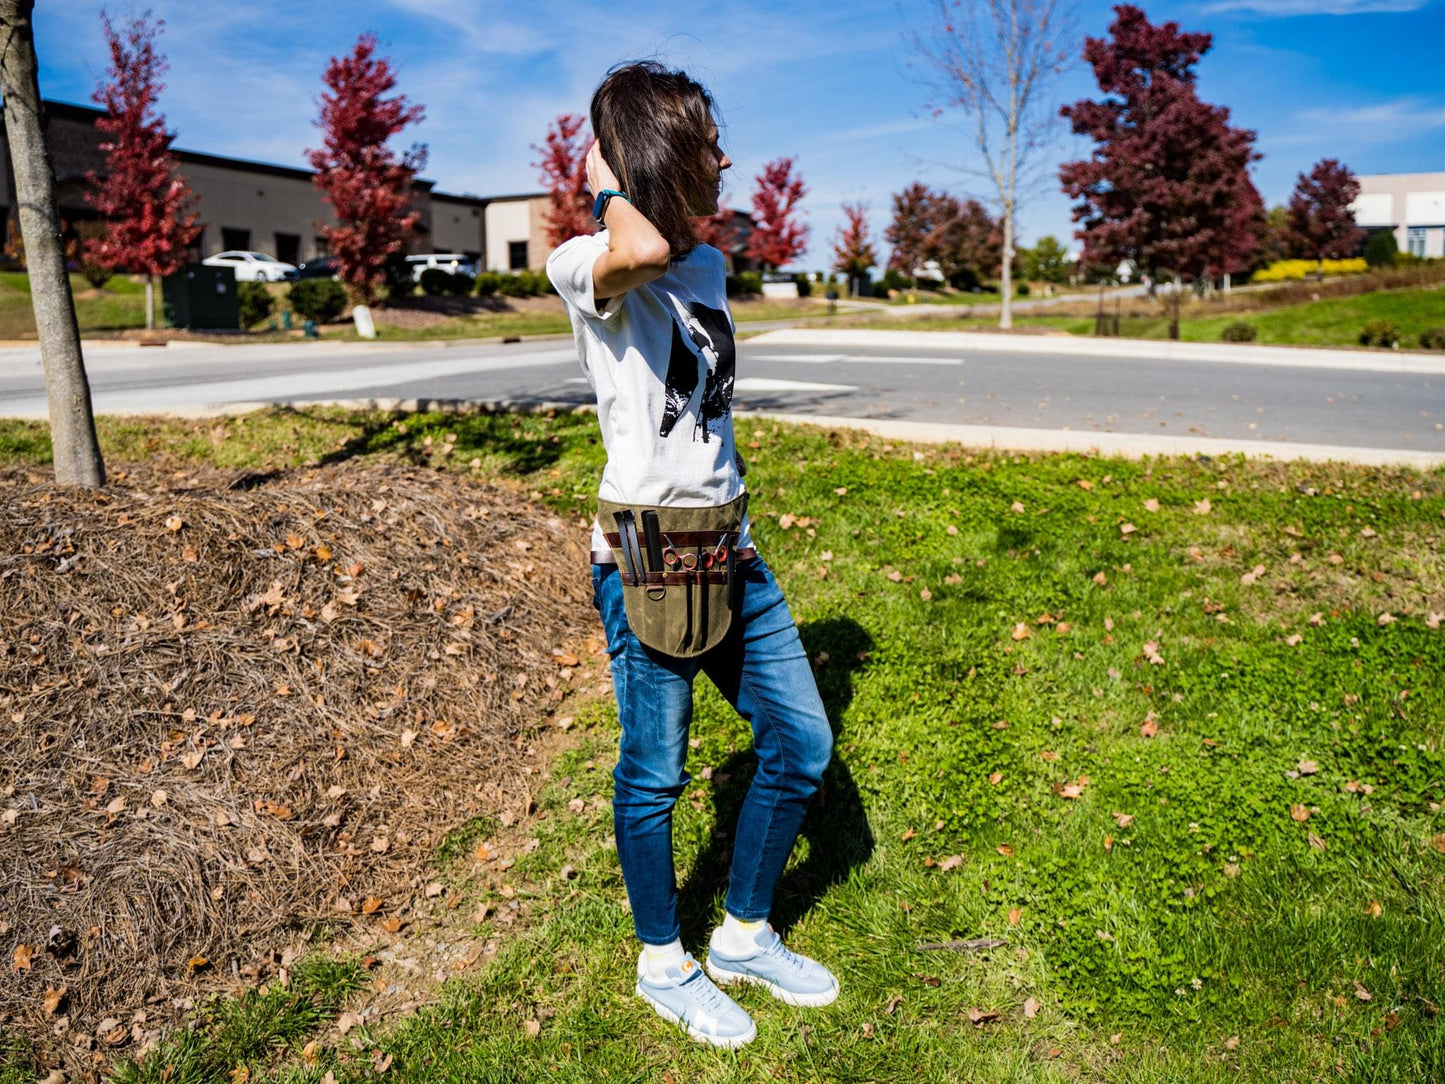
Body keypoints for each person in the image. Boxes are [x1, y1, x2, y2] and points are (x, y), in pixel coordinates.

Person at [546, 61, 838, 1049]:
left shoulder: (706, 269)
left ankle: (745, 935)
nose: (726, 157)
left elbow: (701, 416)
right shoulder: (588, 266)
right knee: (655, 773)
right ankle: (661, 962)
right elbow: (637, 238)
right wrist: (601, 174)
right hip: (642, 554)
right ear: (660, 155)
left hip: (726, 543)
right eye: (708, 142)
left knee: (800, 743)